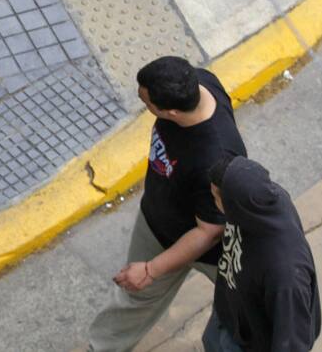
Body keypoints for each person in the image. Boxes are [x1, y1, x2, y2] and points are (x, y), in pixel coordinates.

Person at [88, 56, 247, 352]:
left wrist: (151, 269)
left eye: (146, 103)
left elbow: (209, 231)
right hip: (157, 220)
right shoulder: (199, 81)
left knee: (242, 312)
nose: (142, 103)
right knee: (133, 297)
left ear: (172, 112)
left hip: (213, 252)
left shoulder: (214, 157)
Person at [203, 155, 320, 352]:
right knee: (212, 342)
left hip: (252, 343)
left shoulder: (286, 276)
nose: (213, 202)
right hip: (231, 312)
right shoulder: (253, 205)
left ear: (232, 203)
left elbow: (291, 344)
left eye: (215, 197)